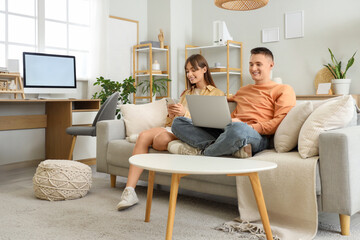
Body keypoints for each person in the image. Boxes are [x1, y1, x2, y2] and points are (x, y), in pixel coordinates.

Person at [117, 54, 224, 210]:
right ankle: (129, 191)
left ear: (204, 69)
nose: (189, 74)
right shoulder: (186, 93)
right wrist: (172, 115)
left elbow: (210, 124)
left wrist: (184, 114)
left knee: (159, 140)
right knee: (143, 136)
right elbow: (171, 123)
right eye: (187, 71)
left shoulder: (217, 94)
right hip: (175, 127)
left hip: (193, 131)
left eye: (193, 70)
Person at [168, 47, 296, 158]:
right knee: (178, 123)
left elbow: (279, 121)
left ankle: (204, 154)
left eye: (258, 64)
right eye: (251, 64)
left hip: (255, 135)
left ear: (271, 65)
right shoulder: (243, 90)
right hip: (228, 130)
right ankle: (226, 147)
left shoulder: (283, 90)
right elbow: (220, 100)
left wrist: (249, 126)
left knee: (237, 129)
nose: (253, 68)